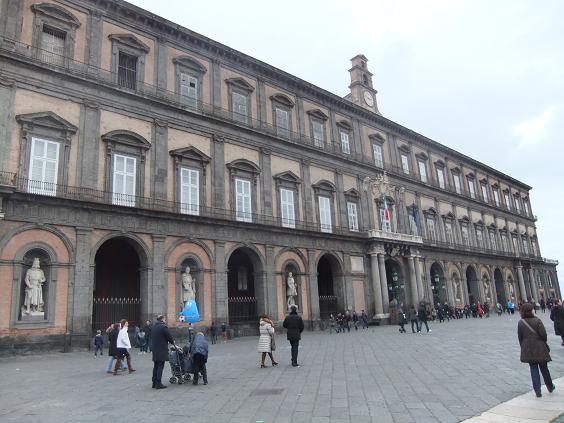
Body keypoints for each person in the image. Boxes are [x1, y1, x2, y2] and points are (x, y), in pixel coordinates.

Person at [518, 303, 555, 397]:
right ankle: (550, 386)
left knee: (533, 368)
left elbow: (520, 337)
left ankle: (537, 390)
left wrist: (523, 347)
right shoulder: (537, 320)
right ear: (531, 311)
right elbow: (544, 335)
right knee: (544, 368)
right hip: (540, 347)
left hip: (528, 348)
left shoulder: (521, 322)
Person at [151, 314, 175, 389]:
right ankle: (158, 383)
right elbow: (169, 337)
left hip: (155, 349)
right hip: (161, 349)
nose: (165, 320)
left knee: (156, 366)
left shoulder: (153, 327)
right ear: (162, 319)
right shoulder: (163, 327)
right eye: (164, 319)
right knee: (160, 366)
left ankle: (154, 382)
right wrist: (172, 342)